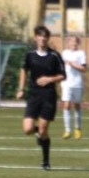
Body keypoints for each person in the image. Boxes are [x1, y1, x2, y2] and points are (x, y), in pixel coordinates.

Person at [16, 25, 66, 170]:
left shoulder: (54, 56)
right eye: (40, 36)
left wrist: (49, 79)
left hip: (48, 96)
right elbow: (24, 70)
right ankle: (39, 133)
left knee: (44, 130)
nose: (43, 39)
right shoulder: (30, 55)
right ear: (36, 38)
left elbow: (63, 75)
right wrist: (21, 88)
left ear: (48, 38)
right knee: (27, 129)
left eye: (45, 36)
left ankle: (46, 161)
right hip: (33, 95)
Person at [60, 35, 87, 140]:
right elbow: (60, 66)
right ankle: (67, 130)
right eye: (71, 41)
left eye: (75, 42)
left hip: (77, 83)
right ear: (68, 43)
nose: (73, 43)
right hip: (66, 83)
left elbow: (84, 69)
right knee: (66, 105)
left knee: (77, 106)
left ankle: (77, 128)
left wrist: (73, 64)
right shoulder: (64, 53)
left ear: (78, 43)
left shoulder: (81, 53)